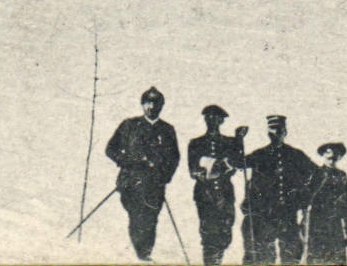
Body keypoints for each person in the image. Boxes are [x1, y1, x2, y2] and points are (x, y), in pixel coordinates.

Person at [105, 86, 181, 262]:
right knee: (137, 217)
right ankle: (141, 254)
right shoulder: (129, 125)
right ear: (142, 104)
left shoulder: (167, 130)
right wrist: (127, 162)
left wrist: (165, 176)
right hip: (131, 182)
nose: (151, 107)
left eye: (156, 103)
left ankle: (144, 254)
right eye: (148, 103)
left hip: (155, 184)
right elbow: (111, 149)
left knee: (151, 219)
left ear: (162, 106)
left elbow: (174, 158)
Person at [242, 115, 318, 265]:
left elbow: (317, 174)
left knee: (291, 253)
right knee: (264, 255)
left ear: (285, 132)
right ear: (267, 133)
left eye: (279, 130)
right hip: (264, 213)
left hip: (287, 212)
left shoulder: (295, 155)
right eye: (272, 131)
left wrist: (304, 195)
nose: (276, 134)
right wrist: (238, 141)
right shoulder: (259, 154)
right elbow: (238, 162)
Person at [188, 104, 248, 265]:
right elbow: (193, 170)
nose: (211, 120)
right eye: (208, 117)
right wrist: (206, 173)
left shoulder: (229, 142)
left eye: (215, 117)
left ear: (221, 121)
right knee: (208, 233)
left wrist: (239, 140)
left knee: (225, 231)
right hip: (205, 193)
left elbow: (239, 163)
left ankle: (216, 261)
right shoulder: (195, 143)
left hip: (225, 192)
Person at [304, 143, 347, 265]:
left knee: (337, 260)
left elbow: (346, 204)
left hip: (335, 226)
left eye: (335, 155)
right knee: (317, 259)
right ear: (323, 155)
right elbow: (305, 200)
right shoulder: (315, 174)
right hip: (317, 226)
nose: (332, 157)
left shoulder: (342, 176)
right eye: (328, 153)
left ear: (339, 157)